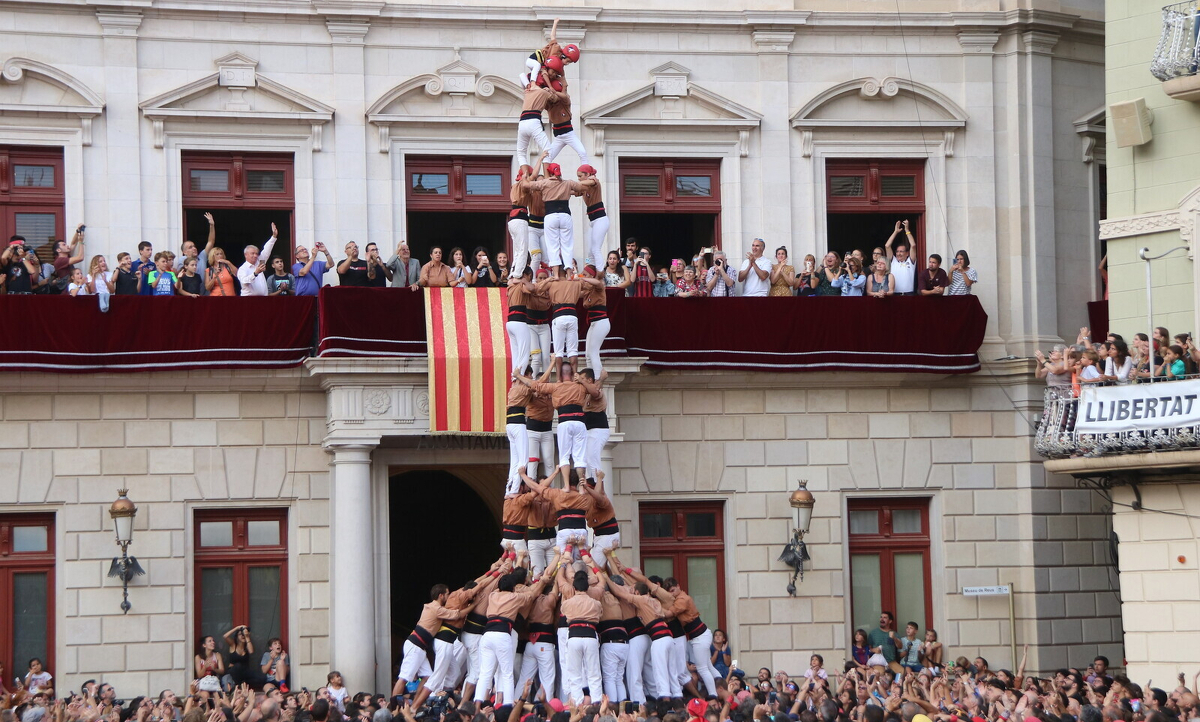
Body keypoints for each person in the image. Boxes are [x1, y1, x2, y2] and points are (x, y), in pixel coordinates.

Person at [529, 153, 584, 273]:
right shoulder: (567, 183)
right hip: (564, 215)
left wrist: (523, 179)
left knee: (552, 247)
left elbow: (528, 183)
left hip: (550, 216)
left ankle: (556, 275)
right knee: (567, 246)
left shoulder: (545, 184)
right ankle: (569, 274)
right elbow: (581, 188)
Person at [516, 72, 562, 166]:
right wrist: (550, 90)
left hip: (522, 122)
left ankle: (525, 176)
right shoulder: (543, 92)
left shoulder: (527, 92)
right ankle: (547, 175)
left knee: (521, 152)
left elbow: (521, 75)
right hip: (533, 121)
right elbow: (556, 100)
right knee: (548, 149)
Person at [546, 78, 589, 166]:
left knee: (582, 153)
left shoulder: (565, 100)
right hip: (558, 136)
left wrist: (552, 90)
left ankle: (586, 173)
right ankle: (545, 176)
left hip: (569, 134)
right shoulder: (549, 104)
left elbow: (565, 95)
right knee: (547, 157)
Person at [581, 266, 611, 373]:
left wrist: (582, 279)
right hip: (594, 323)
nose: (582, 276)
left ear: (591, 276)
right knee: (588, 354)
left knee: (593, 351)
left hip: (601, 322)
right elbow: (576, 294)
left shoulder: (598, 286)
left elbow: (598, 283)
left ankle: (598, 378)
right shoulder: (587, 290)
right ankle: (591, 377)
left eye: (585, 274)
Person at [239, 223, 280, 296]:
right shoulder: (243, 268)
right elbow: (244, 281)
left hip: (263, 299)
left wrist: (274, 236)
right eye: (252, 253)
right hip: (249, 300)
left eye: (256, 253)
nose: (255, 256)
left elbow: (266, 250)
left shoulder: (259, 261)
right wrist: (255, 273)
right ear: (246, 255)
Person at [577, 165, 606, 265]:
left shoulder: (594, 181)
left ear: (588, 174)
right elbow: (573, 191)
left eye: (580, 176)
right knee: (590, 251)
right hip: (593, 220)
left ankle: (600, 272)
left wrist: (574, 183)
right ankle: (590, 268)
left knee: (595, 249)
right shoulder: (584, 188)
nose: (579, 178)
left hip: (600, 219)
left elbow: (591, 182)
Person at [224, 625, 267, 689]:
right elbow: (225, 636)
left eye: (243, 634)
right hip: (234, 671)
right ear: (237, 636)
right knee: (238, 665)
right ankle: (238, 685)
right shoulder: (233, 645)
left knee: (262, 678)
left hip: (245, 671)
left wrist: (247, 637)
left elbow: (251, 651)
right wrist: (237, 628)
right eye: (240, 634)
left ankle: (244, 683)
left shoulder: (247, 646)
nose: (242, 636)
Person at [884, 220, 917, 295]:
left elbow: (913, 245)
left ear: (907, 253)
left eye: (901, 251)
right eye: (897, 251)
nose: (898, 254)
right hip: (894, 294)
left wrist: (907, 230)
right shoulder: (893, 261)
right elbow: (887, 246)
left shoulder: (911, 261)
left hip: (909, 294)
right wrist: (895, 231)